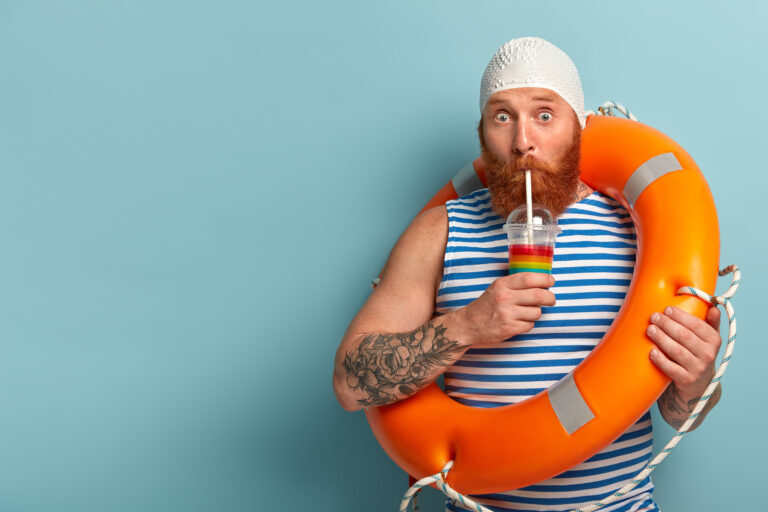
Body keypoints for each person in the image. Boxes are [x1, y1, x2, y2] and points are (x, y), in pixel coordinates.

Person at [332, 37, 723, 512]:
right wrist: (468, 325)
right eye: (502, 116)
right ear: (482, 131)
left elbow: (676, 414)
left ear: (579, 126)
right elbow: (351, 386)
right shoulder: (438, 231)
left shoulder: (637, 233)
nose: (522, 141)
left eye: (543, 114)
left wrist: (696, 382)